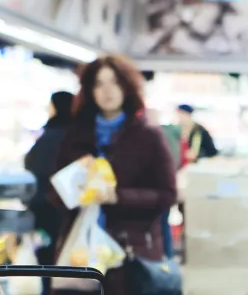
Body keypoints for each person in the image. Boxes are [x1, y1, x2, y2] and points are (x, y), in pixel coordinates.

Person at [52, 56, 177, 295]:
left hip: (132, 253)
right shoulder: (76, 136)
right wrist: (76, 184)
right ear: (90, 90)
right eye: (99, 84)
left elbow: (167, 194)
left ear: (126, 87)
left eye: (114, 82)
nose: (107, 91)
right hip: (81, 250)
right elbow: (54, 193)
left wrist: (118, 196)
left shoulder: (148, 136)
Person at [23, 92, 75, 273]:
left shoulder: (51, 135)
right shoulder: (76, 134)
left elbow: (32, 163)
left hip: (46, 205)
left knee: (47, 258)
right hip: (69, 205)